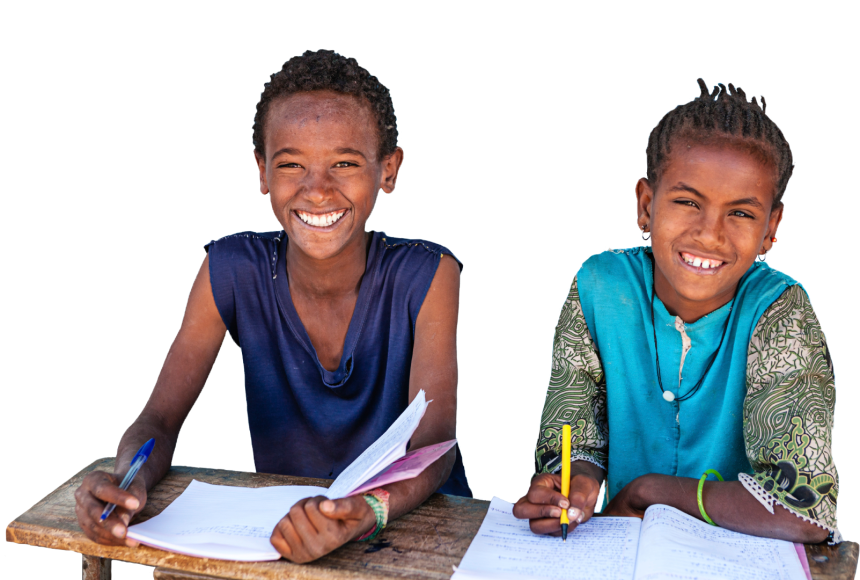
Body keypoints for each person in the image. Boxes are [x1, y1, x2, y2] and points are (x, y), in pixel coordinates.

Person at [74, 48, 472, 563]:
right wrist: (126, 481)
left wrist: (362, 512)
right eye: (291, 165)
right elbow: (158, 421)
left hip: (422, 537)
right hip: (287, 537)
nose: (317, 189)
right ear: (262, 171)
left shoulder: (427, 274)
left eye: (345, 163)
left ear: (388, 170)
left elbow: (433, 444)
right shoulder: (232, 269)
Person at [512, 78, 840, 544]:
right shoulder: (600, 289)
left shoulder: (780, 313)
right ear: (646, 205)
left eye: (742, 213)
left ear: (772, 227)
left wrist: (650, 492)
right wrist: (574, 486)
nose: (710, 234)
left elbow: (802, 510)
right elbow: (574, 443)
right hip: (622, 558)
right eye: (687, 202)